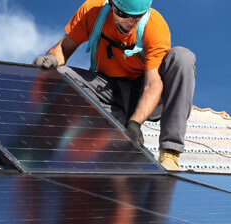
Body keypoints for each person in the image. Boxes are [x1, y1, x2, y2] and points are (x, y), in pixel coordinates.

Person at [33, 0, 196, 171]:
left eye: (137, 17)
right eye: (124, 15)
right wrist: (52, 60)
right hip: (109, 92)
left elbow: (152, 84)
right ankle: (44, 141)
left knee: (182, 57)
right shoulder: (92, 12)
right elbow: (63, 49)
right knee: (63, 75)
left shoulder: (155, 26)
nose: (130, 22)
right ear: (112, 4)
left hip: (146, 97)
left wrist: (135, 123)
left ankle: (170, 154)